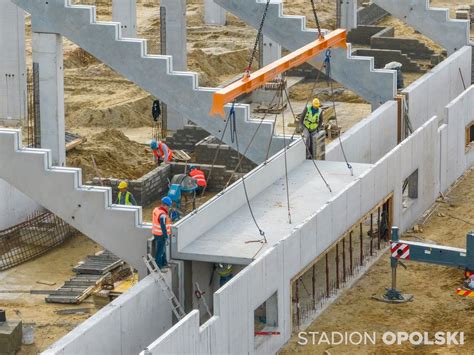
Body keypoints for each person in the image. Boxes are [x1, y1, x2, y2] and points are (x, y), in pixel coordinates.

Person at [152, 196, 172, 269]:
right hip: (161, 235)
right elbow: (163, 225)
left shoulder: (156, 209)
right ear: (165, 205)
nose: (169, 208)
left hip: (156, 233)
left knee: (162, 250)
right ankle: (159, 267)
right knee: (160, 252)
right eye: (168, 206)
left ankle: (164, 263)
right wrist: (166, 236)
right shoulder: (162, 214)